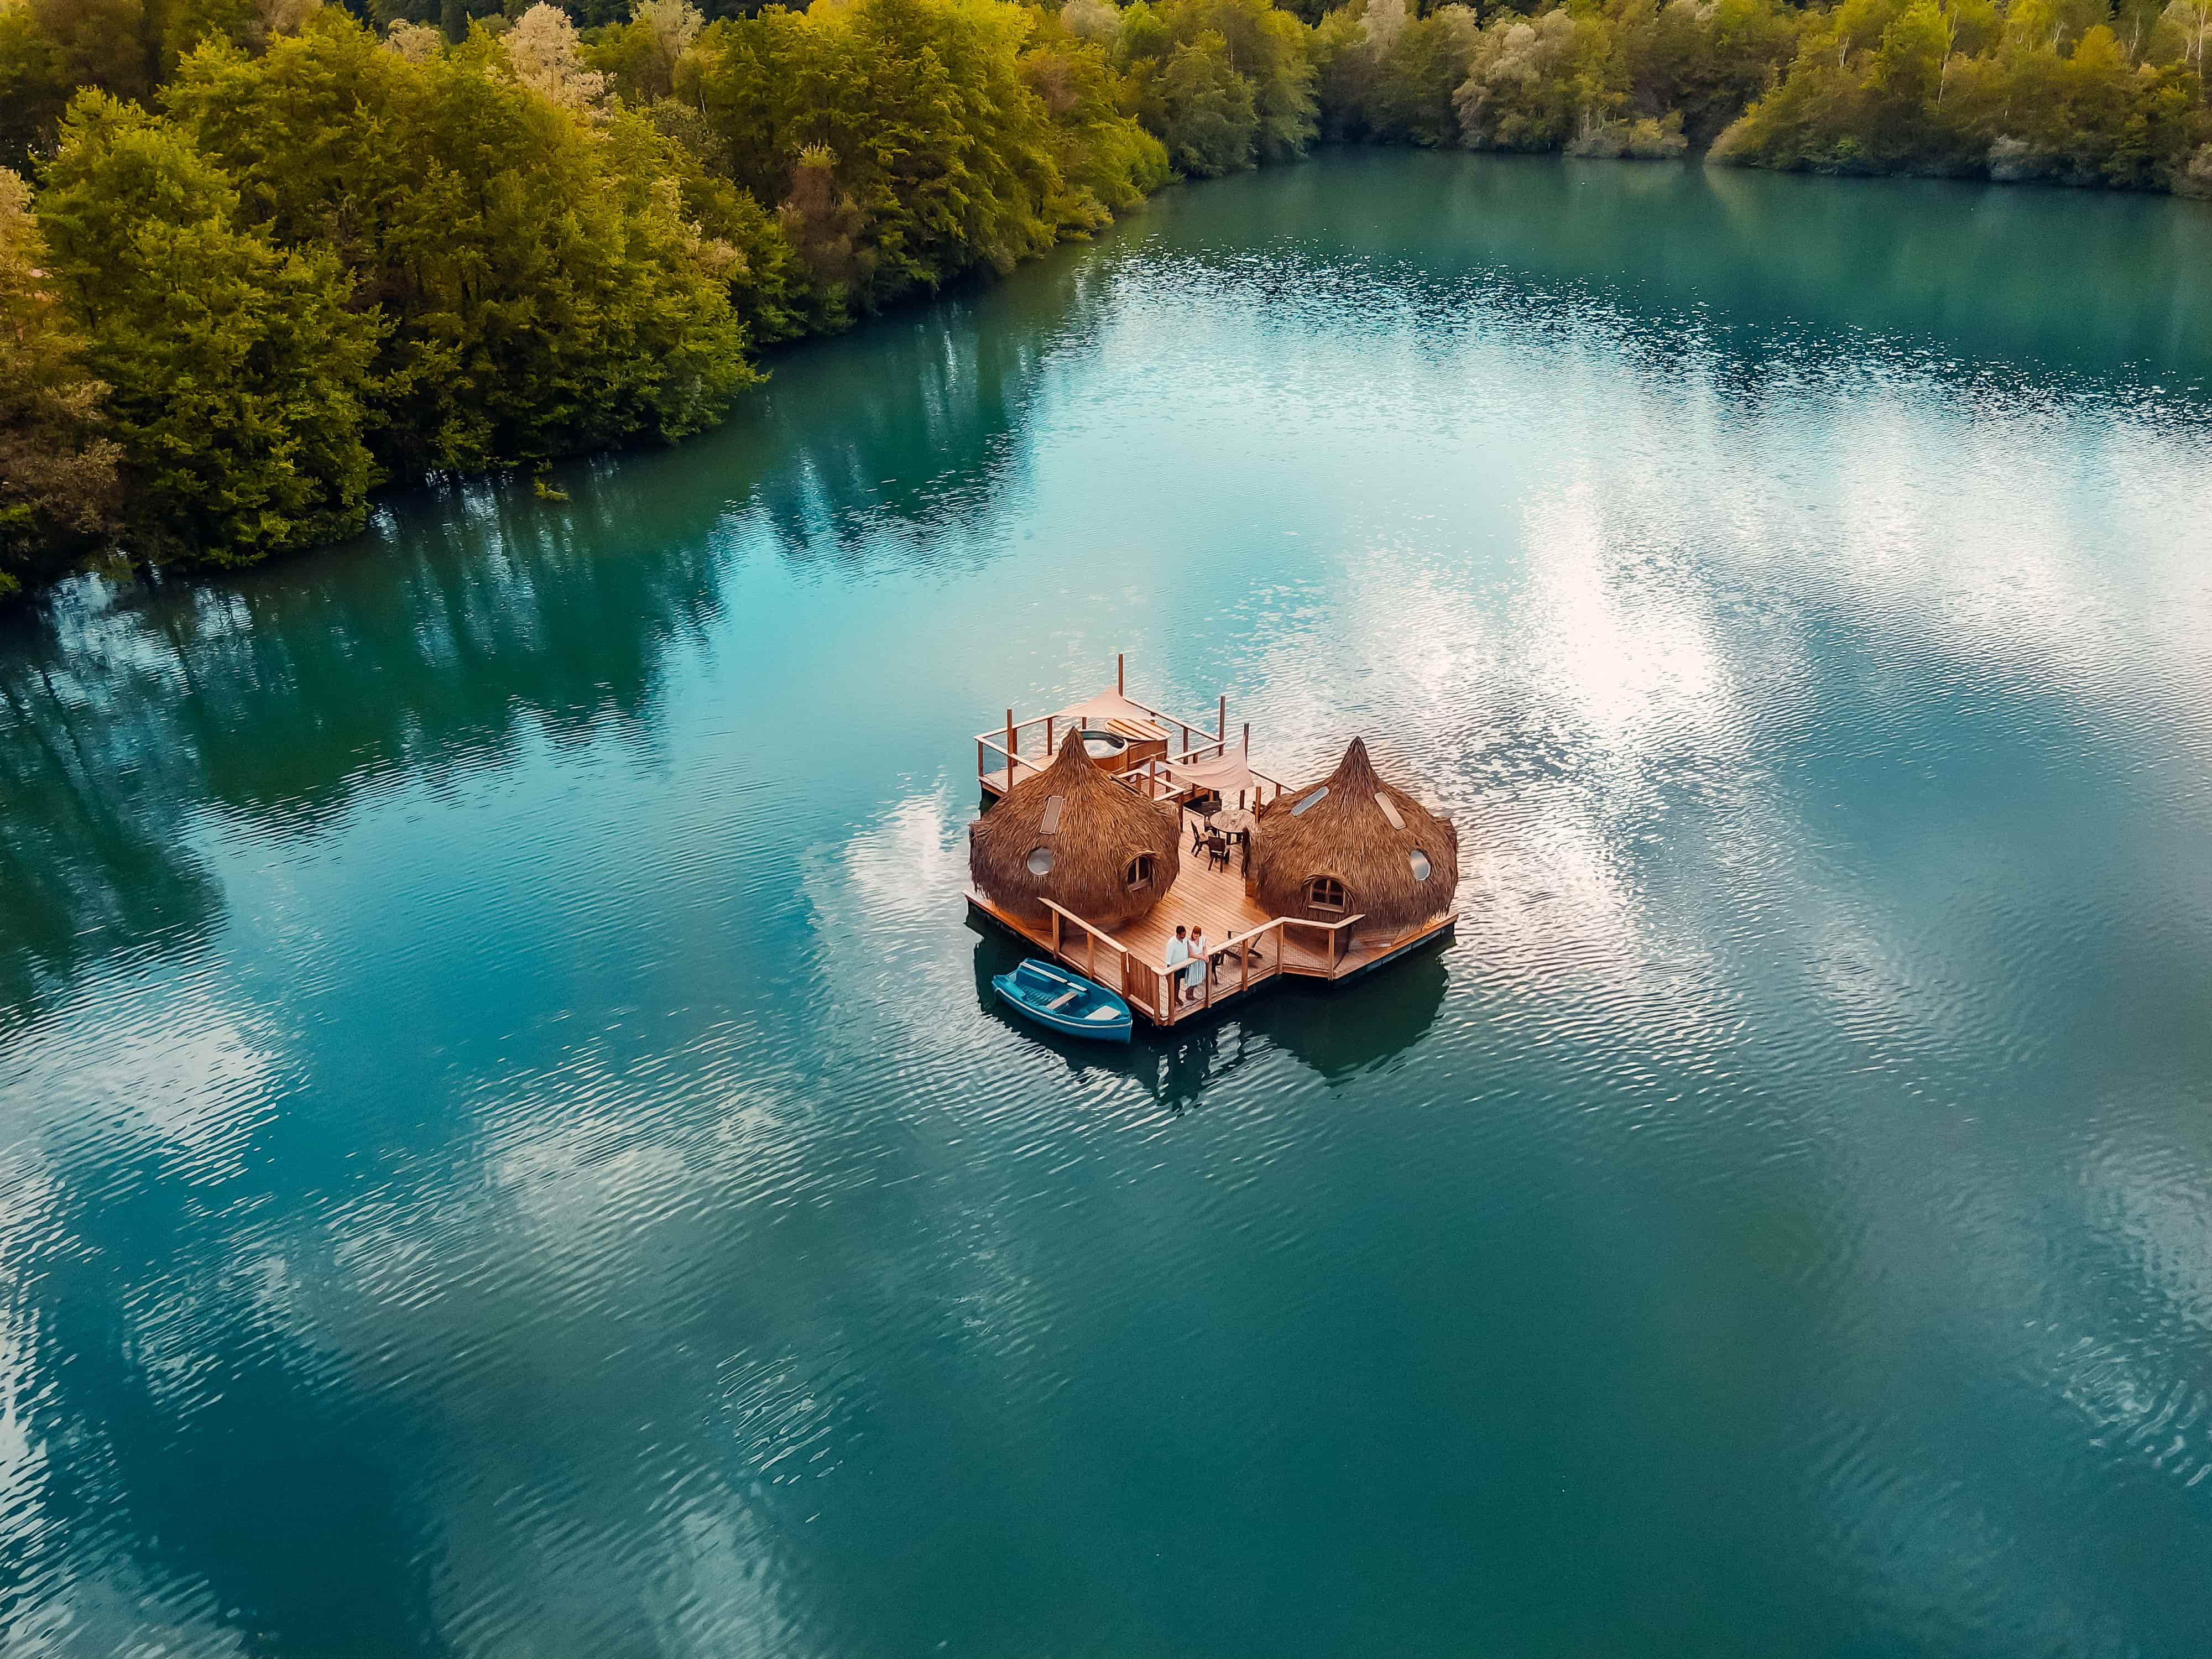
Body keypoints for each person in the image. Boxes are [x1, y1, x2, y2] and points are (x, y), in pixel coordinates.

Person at [1164, 925, 1191, 1005]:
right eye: (1183, 935)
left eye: (1185, 934)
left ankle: (1177, 997)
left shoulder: (1186, 940)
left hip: (1184, 965)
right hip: (1175, 967)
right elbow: (1168, 957)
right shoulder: (1172, 943)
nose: (1184, 936)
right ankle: (1172, 1001)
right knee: (1173, 984)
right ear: (1178, 934)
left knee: (1178, 983)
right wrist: (1168, 970)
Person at [1185, 926, 1209, 1001]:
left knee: (1199, 978)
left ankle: (1191, 994)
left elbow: (1204, 948)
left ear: (1200, 935)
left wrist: (1206, 955)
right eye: (1194, 934)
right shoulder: (1190, 942)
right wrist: (1202, 957)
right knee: (1193, 979)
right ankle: (1188, 992)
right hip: (1194, 962)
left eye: (1197, 935)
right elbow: (1191, 954)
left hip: (1201, 963)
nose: (1195, 936)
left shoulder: (1202, 939)